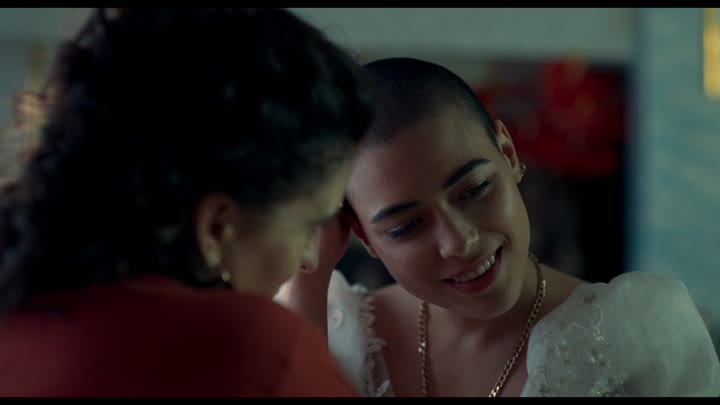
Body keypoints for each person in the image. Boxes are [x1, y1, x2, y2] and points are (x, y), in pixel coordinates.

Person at [277, 57, 720, 397]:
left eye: (475, 189)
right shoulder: (337, 338)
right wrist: (308, 281)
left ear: (508, 153)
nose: (460, 241)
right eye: (408, 226)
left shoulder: (640, 341)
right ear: (363, 237)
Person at [0, 8, 375, 397]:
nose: (311, 259)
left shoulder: (19, 323)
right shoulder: (255, 348)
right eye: (310, 225)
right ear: (216, 227)